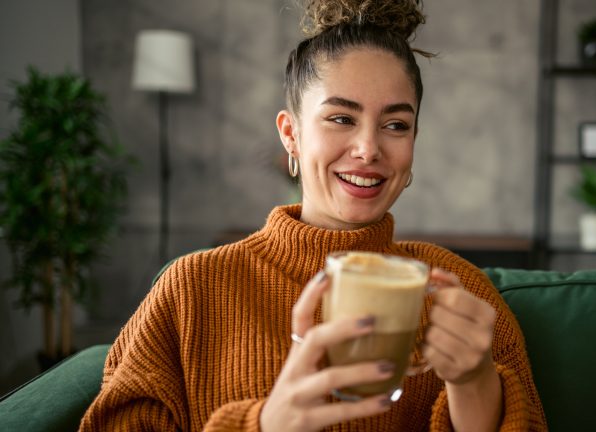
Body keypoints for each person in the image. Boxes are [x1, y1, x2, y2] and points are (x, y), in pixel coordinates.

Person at [80, 0, 547, 430]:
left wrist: (473, 382)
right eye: (341, 118)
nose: (368, 149)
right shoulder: (191, 289)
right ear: (291, 134)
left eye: (396, 125)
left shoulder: (462, 294)